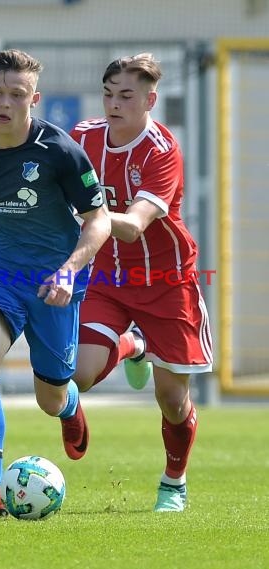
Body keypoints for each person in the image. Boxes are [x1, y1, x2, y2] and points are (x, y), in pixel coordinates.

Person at [0, 49, 111, 517]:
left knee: (49, 397)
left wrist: (69, 269)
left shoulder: (60, 151)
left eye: (17, 94)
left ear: (33, 98)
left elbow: (97, 220)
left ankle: (69, 405)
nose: (6, 102)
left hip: (54, 281)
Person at [70, 53, 213, 512]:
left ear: (150, 99)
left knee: (172, 400)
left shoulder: (162, 151)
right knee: (81, 375)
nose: (114, 104)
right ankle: (132, 343)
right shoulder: (82, 138)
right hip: (108, 275)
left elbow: (132, 225)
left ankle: (174, 481)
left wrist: (90, 214)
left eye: (126, 96)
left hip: (167, 280)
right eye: (108, 94)